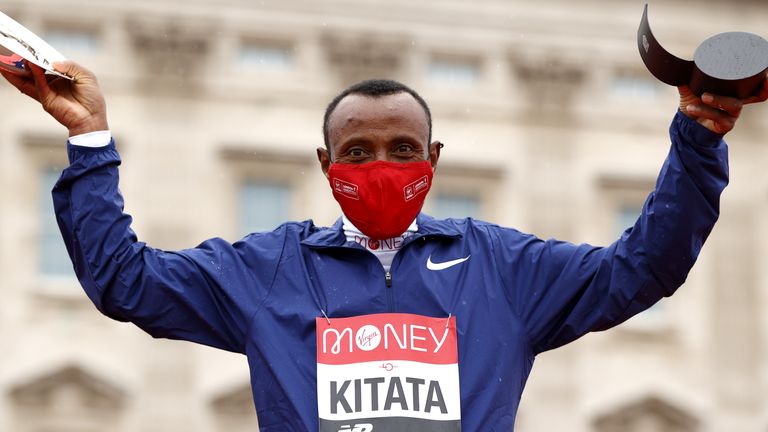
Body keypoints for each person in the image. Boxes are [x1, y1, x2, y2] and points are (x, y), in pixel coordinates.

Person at [2, 60, 767, 432]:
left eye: (403, 150)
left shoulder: (502, 269)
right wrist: (89, 138)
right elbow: (126, 283)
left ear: (434, 161)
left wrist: (698, 142)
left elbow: (643, 268)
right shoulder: (269, 270)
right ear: (325, 167)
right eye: (357, 151)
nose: (381, 168)